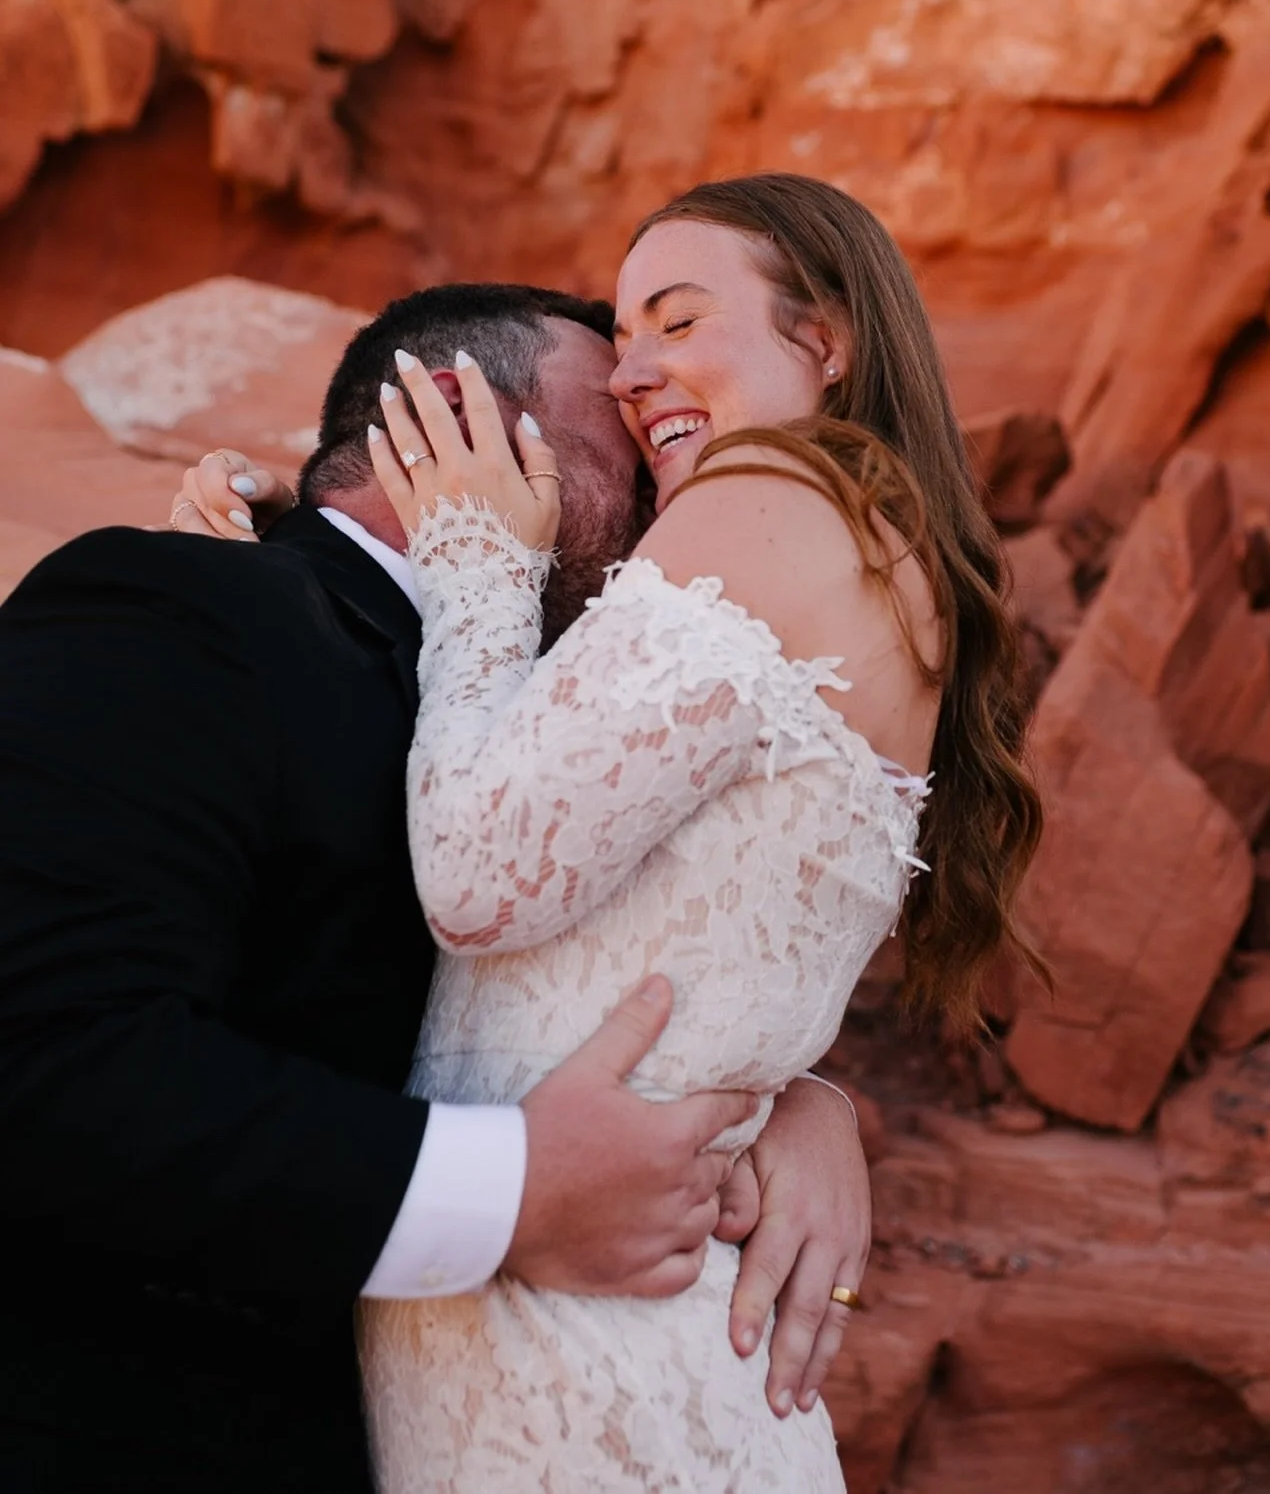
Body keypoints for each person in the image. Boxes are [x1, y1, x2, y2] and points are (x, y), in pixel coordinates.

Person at [190, 172, 1042, 1490]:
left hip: (595, 1356)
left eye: (680, 319)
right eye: (624, 339)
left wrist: (473, 556)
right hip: (586, 1327)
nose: (637, 370)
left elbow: (480, 876)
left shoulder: (766, 495)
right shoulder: (843, 541)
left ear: (826, 339)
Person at [0, 281, 871, 1494]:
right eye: (623, 437)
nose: (670, 492)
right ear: (450, 419)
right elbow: (43, 1052)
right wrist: (516, 1189)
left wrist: (800, 1102)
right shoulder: (181, 607)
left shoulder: (587, 713)